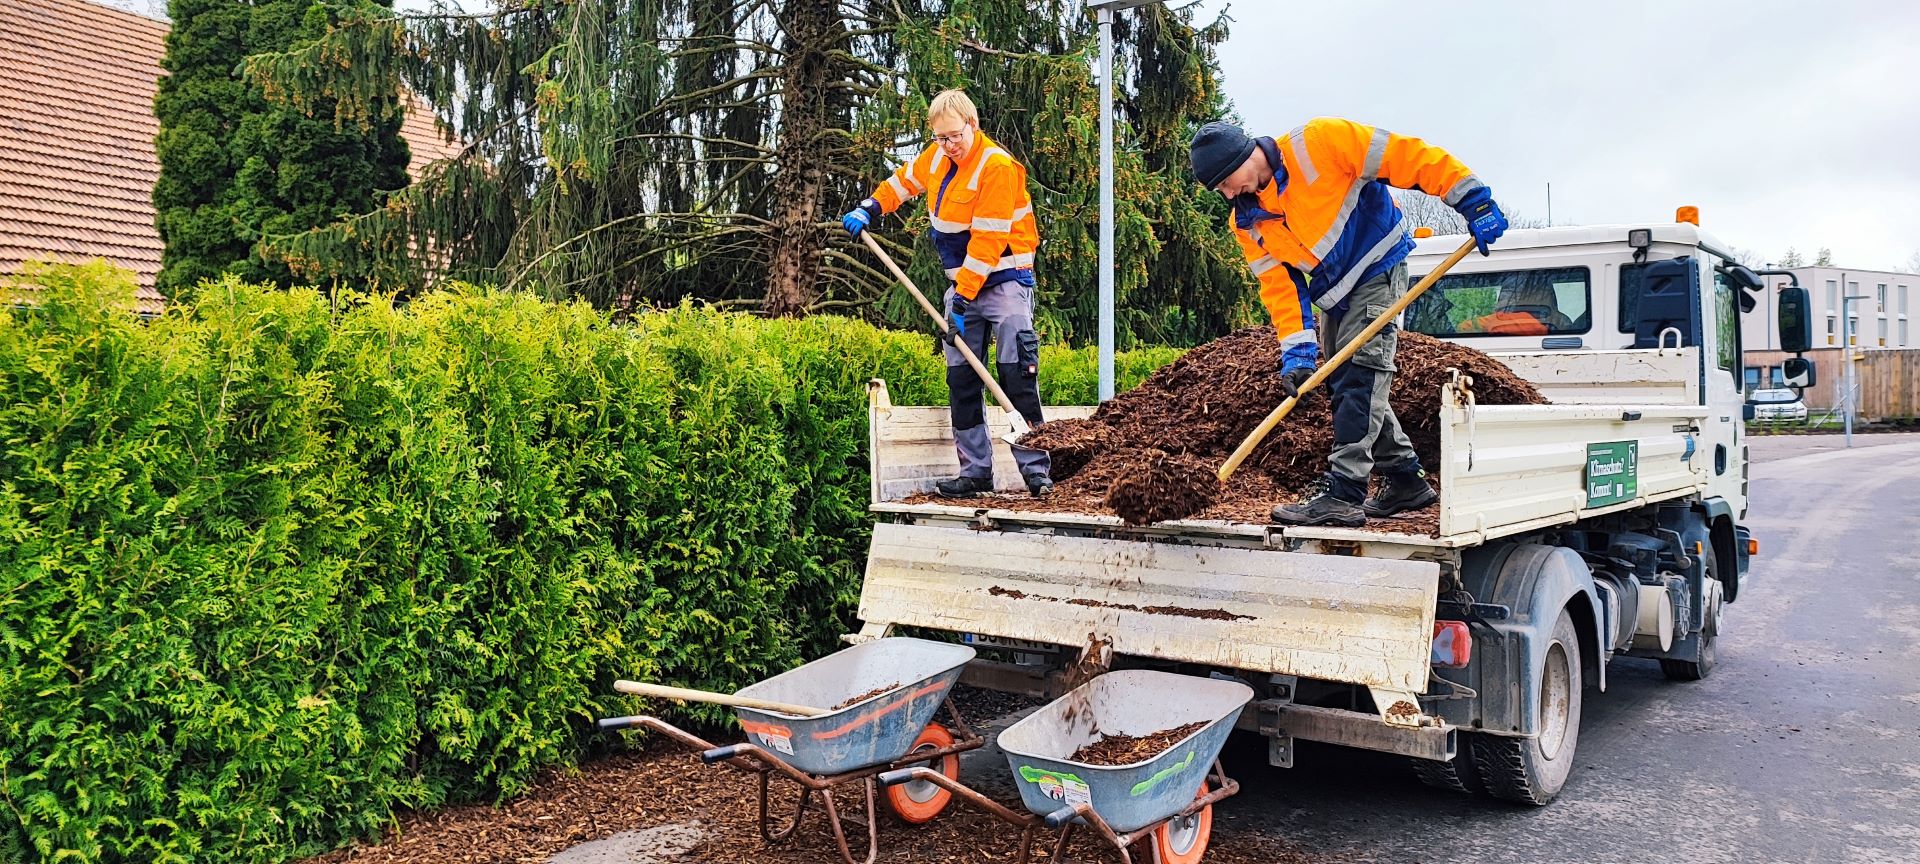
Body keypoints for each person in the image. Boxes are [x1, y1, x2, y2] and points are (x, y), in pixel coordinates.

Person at [1188, 117, 1508, 526]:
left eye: (1227, 182)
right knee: (1349, 382)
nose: (1228, 194)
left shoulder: (1320, 143)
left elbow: (1407, 156)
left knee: (1361, 373)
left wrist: (1471, 198)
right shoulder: (1247, 221)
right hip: (1334, 292)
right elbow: (1281, 289)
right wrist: (1298, 354)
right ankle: (1406, 479)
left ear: (1246, 154)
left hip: (1377, 266)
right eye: (1220, 191)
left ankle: (1344, 492)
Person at [843, 89, 1051, 498]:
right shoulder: (937, 157)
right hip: (963, 288)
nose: (949, 145)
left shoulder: (997, 167)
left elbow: (988, 243)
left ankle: (1037, 473)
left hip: (1004, 281)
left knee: (1016, 374)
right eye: (941, 138)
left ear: (973, 126)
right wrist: (870, 207)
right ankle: (975, 472)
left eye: (955, 136)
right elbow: (903, 182)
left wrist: (961, 299)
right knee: (962, 379)